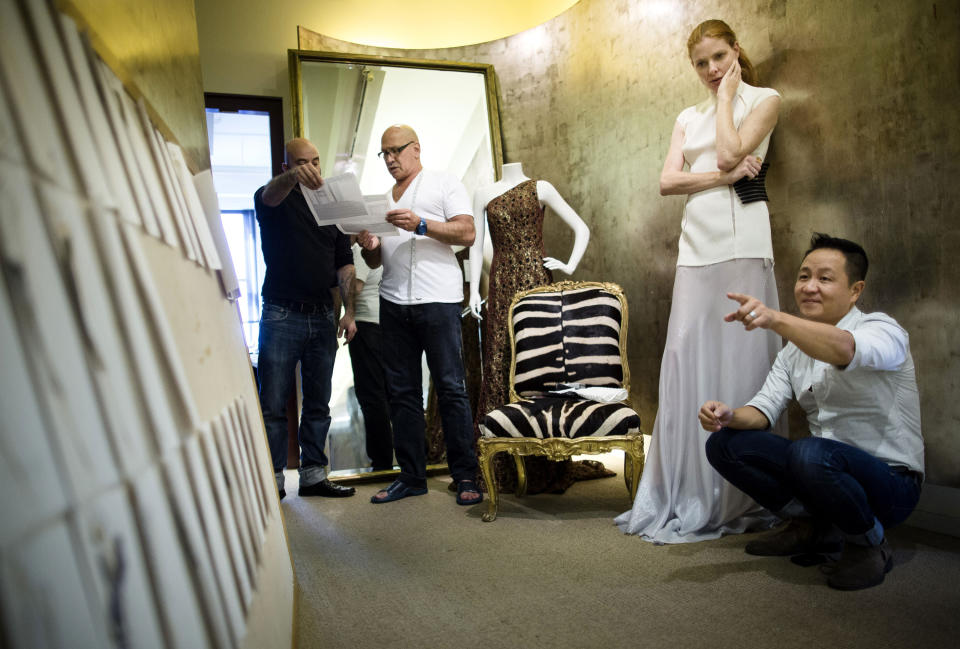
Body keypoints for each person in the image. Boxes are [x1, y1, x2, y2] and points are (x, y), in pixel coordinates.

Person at [616, 19, 784, 542]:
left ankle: (745, 490)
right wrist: (720, 176)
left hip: (744, 242)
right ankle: (687, 485)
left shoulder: (765, 99)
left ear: (736, 51)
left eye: (718, 58)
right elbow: (669, 181)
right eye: (701, 64)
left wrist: (731, 94)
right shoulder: (687, 115)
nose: (711, 71)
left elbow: (734, 152)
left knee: (742, 353)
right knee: (686, 351)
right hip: (697, 245)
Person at [700, 233, 923, 590]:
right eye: (804, 276)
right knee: (725, 444)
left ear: (855, 290)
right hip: (823, 473)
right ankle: (812, 526)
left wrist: (774, 319)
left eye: (825, 278)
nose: (809, 287)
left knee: (810, 452)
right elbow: (763, 410)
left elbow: (845, 350)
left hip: (891, 484)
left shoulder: (882, 330)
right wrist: (729, 416)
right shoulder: (792, 352)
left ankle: (869, 544)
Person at [357, 125, 482, 506]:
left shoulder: (444, 183)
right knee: (401, 394)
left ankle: (465, 476)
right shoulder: (380, 201)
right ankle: (411, 477)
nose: (391, 159)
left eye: (396, 150)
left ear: (416, 149)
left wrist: (422, 224)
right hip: (393, 302)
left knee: (451, 389)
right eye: (385, 153)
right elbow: (375, 260)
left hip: (439, 300)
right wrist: (369, 246)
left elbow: (468, 233)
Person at [468, 162, 597, 494]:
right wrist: (472, 291)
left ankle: (547, 464)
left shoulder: (541, 187)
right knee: (500, 365)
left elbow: (581, 228)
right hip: (499, 285)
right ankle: (503, 465)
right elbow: (474, 244)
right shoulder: (483, 193)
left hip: (537, 285)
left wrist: (568, 264)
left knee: (540, 367)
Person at [255, 137, 357, 500]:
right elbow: (268, 196)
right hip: (281, 314)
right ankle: (274, 481)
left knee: (318, 401)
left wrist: (349, 312)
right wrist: (294, 179)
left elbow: (344, 263)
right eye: (302, 163)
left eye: (315, 161)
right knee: (274, 403)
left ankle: (314, 476)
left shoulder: (332, 206)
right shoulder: (274, 198)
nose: (312, 169)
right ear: (287, 167)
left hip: (322, 316)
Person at [347, 238, 394, 471]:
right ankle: (395, 457)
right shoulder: (376, 249)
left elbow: (356, 286)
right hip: (381, 324)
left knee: (371, 396)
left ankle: (381, 461)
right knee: (386, 394)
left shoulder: (360, 251)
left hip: (367, 325)